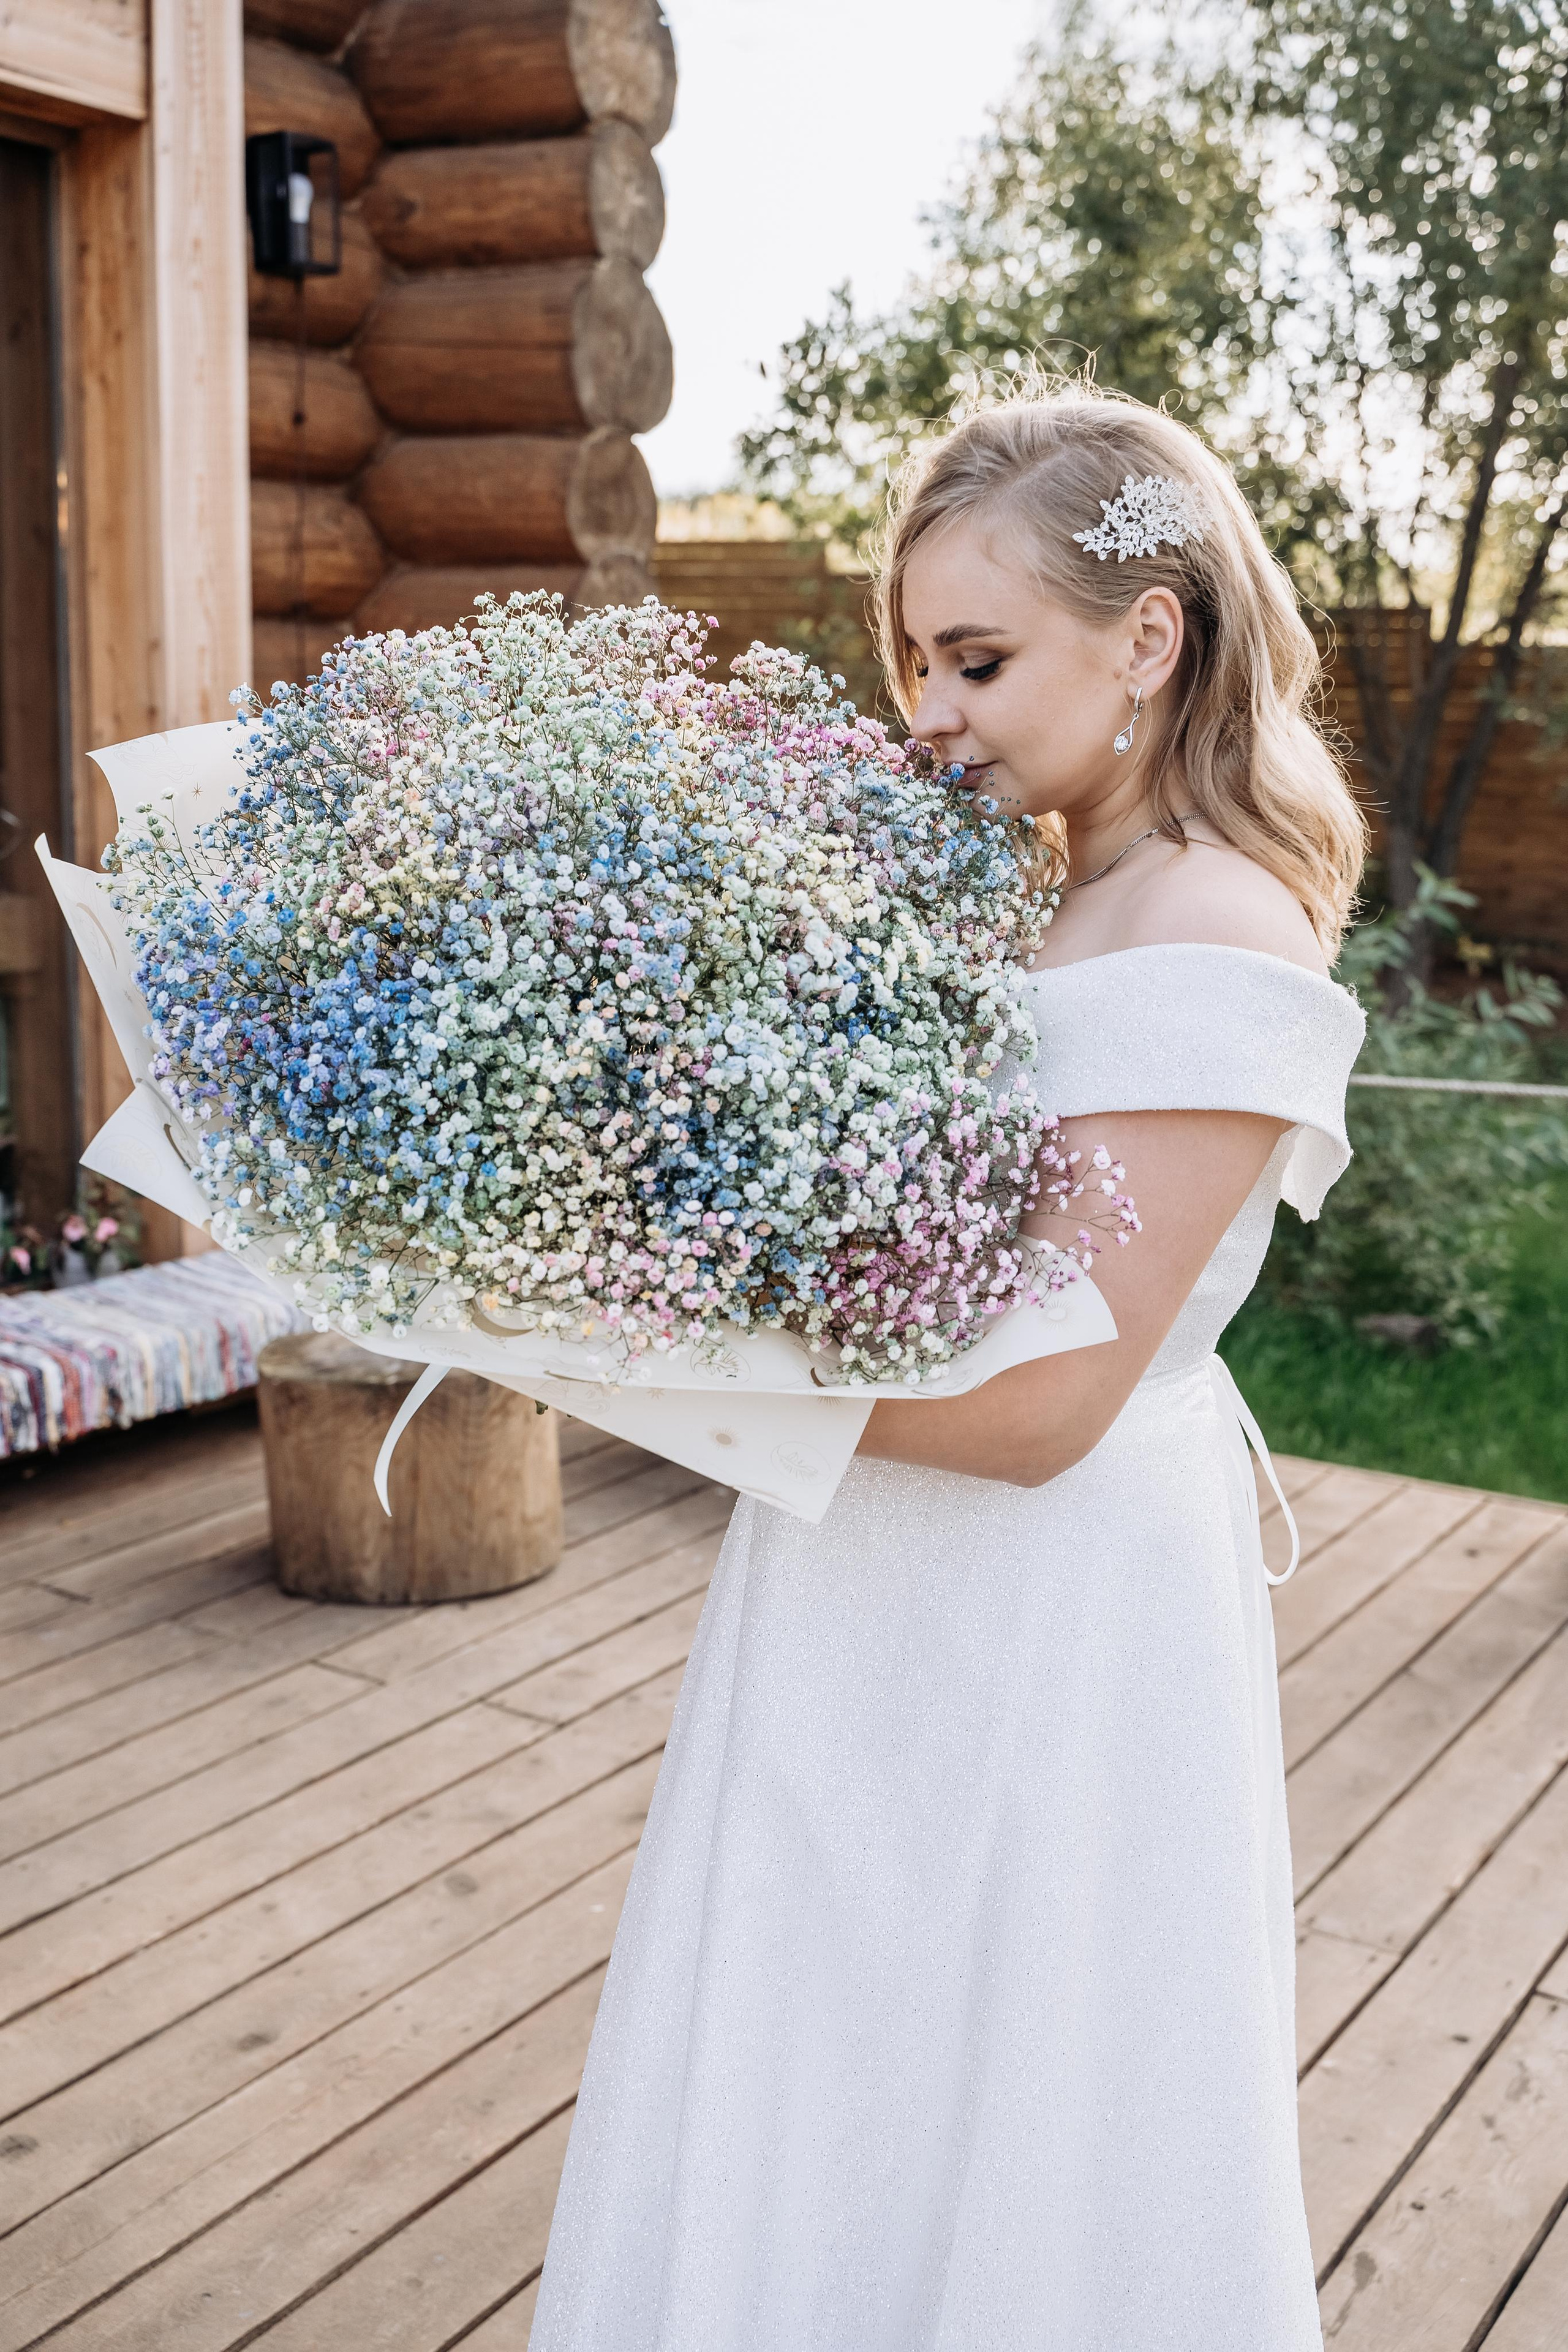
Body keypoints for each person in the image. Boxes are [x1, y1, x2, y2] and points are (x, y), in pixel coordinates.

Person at [529, 381, 1367, 2350]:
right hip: (856, 1573)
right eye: (913, 660)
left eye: (975, 660)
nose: (928, 714)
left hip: (1053, 1607)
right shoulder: (1034, 890)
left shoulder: (1222, 929)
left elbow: (1041, 1404)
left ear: (1148, 637)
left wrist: (614, 1350)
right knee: (829, 2064)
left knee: (1019, 2098)